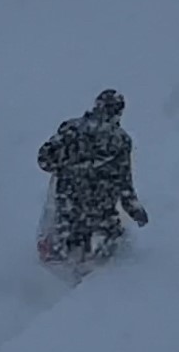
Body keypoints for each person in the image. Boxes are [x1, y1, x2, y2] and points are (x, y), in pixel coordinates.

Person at [37, 89, 149, 262]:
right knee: (116, 257)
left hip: (68, 207)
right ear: (118, 113)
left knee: (62, 257)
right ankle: (102, 285)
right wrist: (135, 210)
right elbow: (124, 182)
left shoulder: (71, 129)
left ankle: (64, 284)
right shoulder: (120, 140)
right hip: (102, 213)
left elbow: (44, 160)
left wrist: (69, 161)